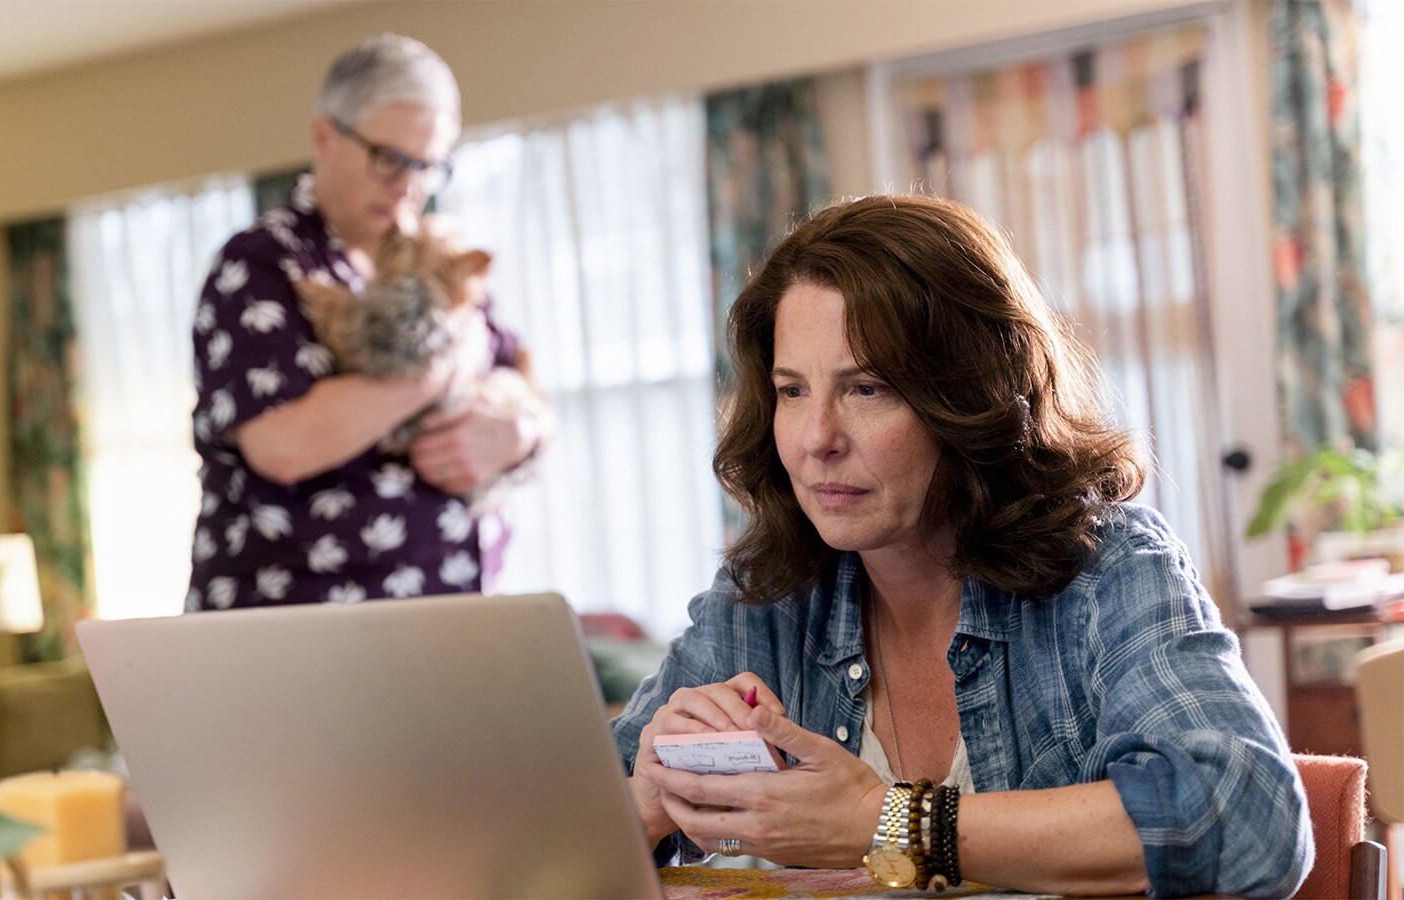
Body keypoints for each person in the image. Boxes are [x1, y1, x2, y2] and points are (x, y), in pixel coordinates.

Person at [611, 195, 1314, 897]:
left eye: (867, 388)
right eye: (792, 391)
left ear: (973, 398)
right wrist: (644, 804)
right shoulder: (767, 597)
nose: (817, 438)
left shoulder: (1106, 568)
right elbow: (558, 827)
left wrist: (884, 822)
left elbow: (1252, 824)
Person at [186, 35, 549, 611]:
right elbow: (283, 446)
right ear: (324, 137)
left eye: (427, 165)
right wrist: (442, 368)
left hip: (453, 610)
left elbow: (527, 387)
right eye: (389, 158)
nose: (408, 186)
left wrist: (519, 434)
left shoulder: (440, 258)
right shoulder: (261, 263)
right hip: (302, 622)